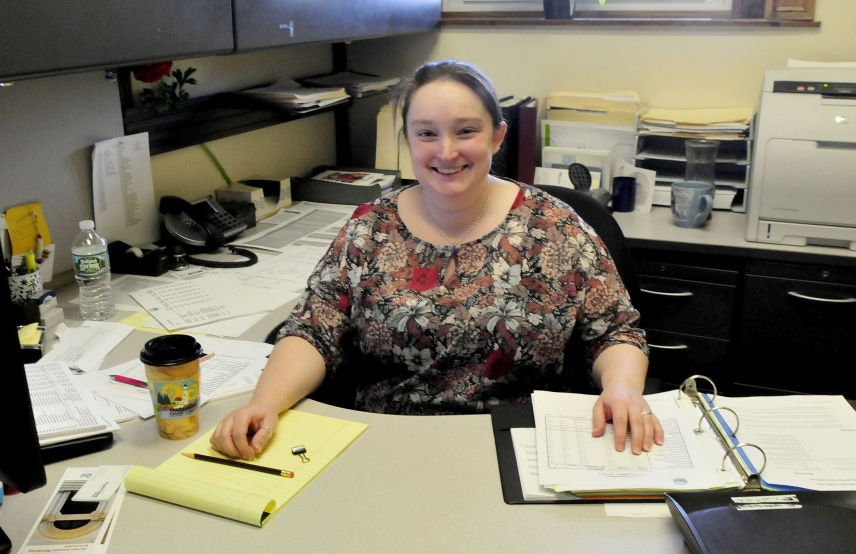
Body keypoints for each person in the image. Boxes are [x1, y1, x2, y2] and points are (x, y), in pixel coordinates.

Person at [211, 59, 664, 460]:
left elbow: (616, 331)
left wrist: (621, 390)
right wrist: (264, 403)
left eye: (466, 131)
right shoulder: (371, 227)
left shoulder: (554, 227)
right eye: (427, 133)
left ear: (497, 135)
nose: (446, 152)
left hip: (525, 447)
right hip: (389, 444)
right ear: (408, 140)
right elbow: (315, 327)